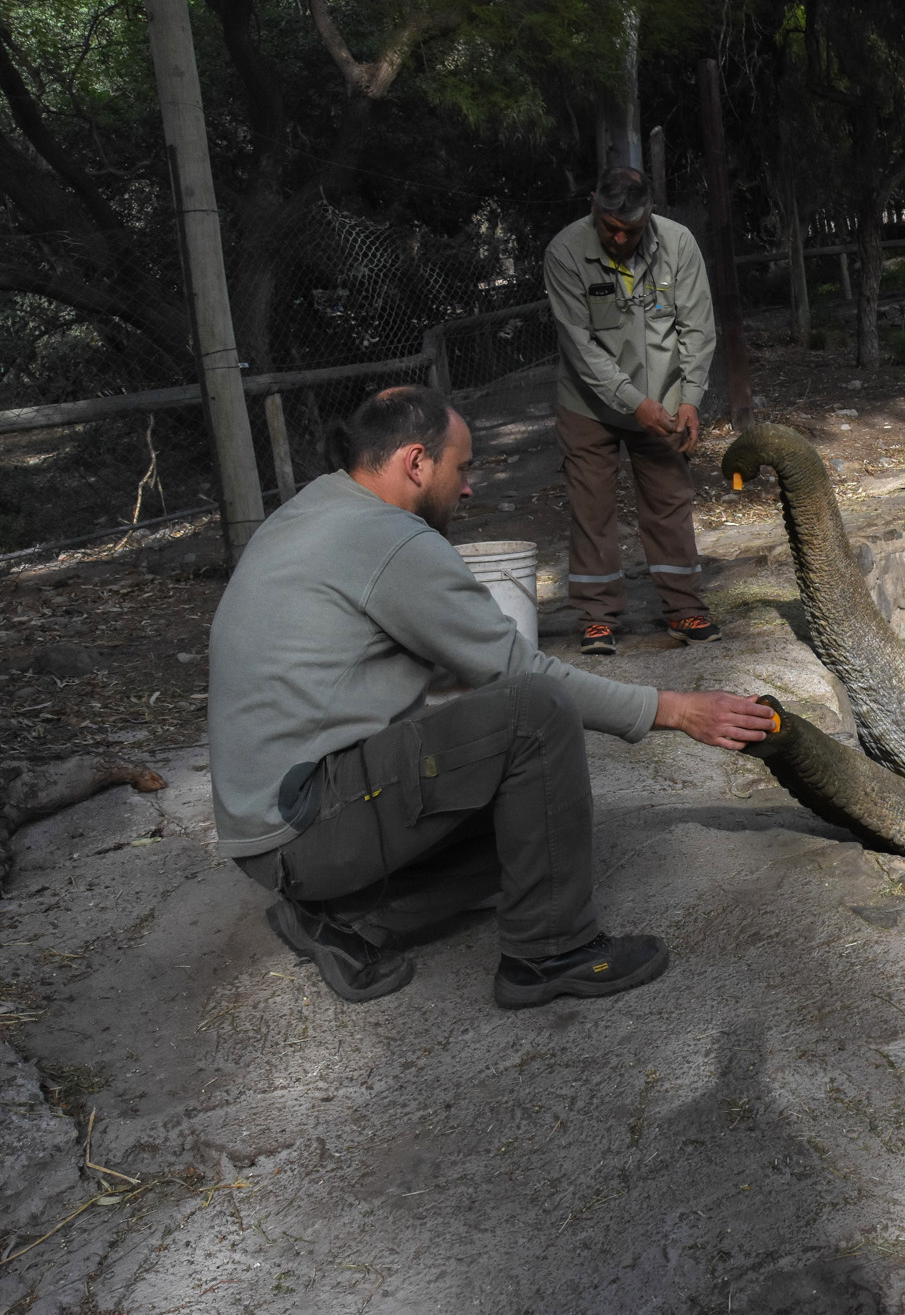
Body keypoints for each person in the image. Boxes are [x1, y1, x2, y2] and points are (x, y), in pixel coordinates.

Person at [206, 386, 773, 1009]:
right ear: (416, 462)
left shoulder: (316, 507)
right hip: (304, 825)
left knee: (541, 832)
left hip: (274, 830)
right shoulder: (389, 539)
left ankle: (342, 916)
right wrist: (676, 709)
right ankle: (549, 952)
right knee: (536, 711)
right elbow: (517, 671)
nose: (468, 487)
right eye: (462, 467)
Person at [546, 165, 720, 656]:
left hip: (663, 399)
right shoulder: (564, 252)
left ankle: (684, 607)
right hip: (587, 404)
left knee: (670, 502)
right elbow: (580, 347)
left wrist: (690, 399)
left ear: (650, 215)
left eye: (632, 229)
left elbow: (697, 328)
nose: (620, 239)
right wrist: (632, 401)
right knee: (591, 508)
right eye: (610, 228)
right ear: (593, 208)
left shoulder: (679, 244)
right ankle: (597, 617)